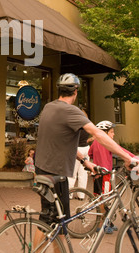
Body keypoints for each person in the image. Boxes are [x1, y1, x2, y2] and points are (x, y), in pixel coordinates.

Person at [34, 73, 139, 233]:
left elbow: (61, 143)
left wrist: (84, 161)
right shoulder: (71, 111)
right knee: (52, 224)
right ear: (76, 91)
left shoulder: (49, 107)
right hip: (57, 173)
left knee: (52, 222)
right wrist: (127, 157)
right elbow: (98, 134)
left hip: (42, 169)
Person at [68, 128, 90, 199]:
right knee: (83, 174)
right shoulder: (87, 127)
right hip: (86, 148)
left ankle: (69, 194)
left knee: (72, 173)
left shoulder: (75, 128)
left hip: (77, 149)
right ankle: (81, 195)